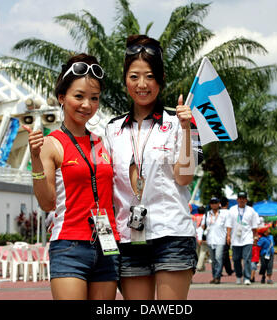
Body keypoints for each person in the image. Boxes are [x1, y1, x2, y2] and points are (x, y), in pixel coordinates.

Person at [105, 34, 203, 300]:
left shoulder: (180, 121)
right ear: (125, 79)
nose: (142, 84)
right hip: (129, 236)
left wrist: (186, 129)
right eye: (134, 76)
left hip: (171, 232)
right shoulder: (112, 129)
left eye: (149, 76)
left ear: (160, 78)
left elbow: (184, 178)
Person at [24, 53, 120, 300]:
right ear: (61, 98)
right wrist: (35, 157)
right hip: (69, 246)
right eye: (79, 96)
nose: (87, 104)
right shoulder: (50, 144)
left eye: (94, 98)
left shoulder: (104, 143)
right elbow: (47, 203)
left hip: (107, 245)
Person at [226, 191, 259, 285]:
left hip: (247, 238)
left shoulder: (251, 211)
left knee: (247, 258)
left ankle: (247, 277)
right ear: (237, 200)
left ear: (246, 200)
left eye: (243, 198)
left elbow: (254, 226)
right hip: (235, 239)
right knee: (236, 259)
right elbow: (229, 224)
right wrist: (228, 235)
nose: (241, 200)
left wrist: (255, 237)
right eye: (240, 198)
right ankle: (238, 276)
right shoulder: (232, 210)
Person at [206, 197, 230, 284]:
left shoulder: (223, 214)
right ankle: (214, 276)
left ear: (219, 204)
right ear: (210, 204)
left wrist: (228, 236)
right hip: (210, 239)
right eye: (212, 203)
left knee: (218, 258)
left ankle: (217, 277)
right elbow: (203, 225)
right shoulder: (208, 214)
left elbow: (228, 226)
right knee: (213, 260)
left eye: (215, 203)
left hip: (220, 239)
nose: (214, 204)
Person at [220, 197, 233, 276]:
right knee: (225, 254)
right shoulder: (230, 213)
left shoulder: (217, 212)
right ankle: (221, 270)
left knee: (222, 254)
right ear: (227, 203)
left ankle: (228, 270)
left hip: (218, 236)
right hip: (227, 236)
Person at [196, 206, 209, 272]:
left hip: (195, 236)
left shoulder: (194, 217)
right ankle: (199, 266)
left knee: (198, 252)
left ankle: (202, 267)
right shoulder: (205, 217)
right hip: (202, 236)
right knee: (203, 252)